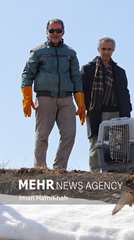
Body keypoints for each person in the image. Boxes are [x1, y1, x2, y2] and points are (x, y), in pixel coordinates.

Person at [21, 19, 85, 170]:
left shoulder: (70, 53)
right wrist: (27, 97)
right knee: (42, 135)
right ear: (47, 32)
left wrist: (80, 103)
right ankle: (40, 167)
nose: (55, 34)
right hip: (45, 98)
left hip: (66, 99)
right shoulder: (38, 52)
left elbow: (76, 77)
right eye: (52, 31)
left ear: (63, 32)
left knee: (69, 134)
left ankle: (59, 168)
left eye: (58, 31)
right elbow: (27, 74)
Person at [81, 37, 132, 172]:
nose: (106, 52)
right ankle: (95, 173)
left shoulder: (120, 71)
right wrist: (86, 108)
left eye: (109, 49)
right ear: (98, 49)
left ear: (113, 50)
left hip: (116, 112)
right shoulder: (88, 69)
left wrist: (127, 112)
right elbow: (82, 91)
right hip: (96, 112)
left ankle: (115, 172)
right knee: (96, 143)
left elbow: (125, 93)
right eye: (104, 49)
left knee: (117, 144)